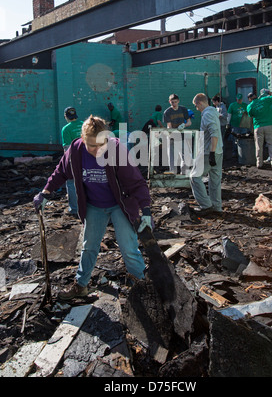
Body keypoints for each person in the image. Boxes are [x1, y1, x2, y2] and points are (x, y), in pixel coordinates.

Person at [33, 115, 152, 300]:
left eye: (100, 145)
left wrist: (146, 211)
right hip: (94, 206)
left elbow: (136, 182)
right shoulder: (76, 150)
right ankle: (81, 286)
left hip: (119, 205)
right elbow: (61, 172)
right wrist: (45, 192)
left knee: (129, 248)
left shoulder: (116, 149)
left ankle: (143, 287)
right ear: (82, 139)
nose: (97, 150)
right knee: (89, 247)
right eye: (91, 145)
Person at [190, 93, 223, 214]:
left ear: (200, 103)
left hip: (209, 152)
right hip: (219, 151)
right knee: (214, 179)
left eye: (196, 105)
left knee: (194, 176)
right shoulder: (213, 112)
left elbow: (214, 134)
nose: (196, 108)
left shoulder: (207, 114)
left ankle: (206, 205)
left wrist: (212, 153)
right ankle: (216, 206)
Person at [247, 88, 272, 169]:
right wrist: (269, 92)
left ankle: (259, 163)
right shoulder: (265, 100)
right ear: (255, 96)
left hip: (258, 126)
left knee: (259, 146)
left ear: (250, 99)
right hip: (269, 125)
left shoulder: (249, 106)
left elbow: (251, 115)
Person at [61, 107, 83, 217]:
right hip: (89, 157)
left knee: (71, 182)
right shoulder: (84, 125)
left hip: (75, 158)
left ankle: (74, 209)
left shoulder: (66, 129)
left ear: (66, 116)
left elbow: (67, 149)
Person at [163, 94, 192, 174]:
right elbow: (169, 126)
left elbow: (189, 122)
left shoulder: (183, 109)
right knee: (172, 156)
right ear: (169, 102)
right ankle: (173, 173)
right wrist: (172, 133)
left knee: (185, 155)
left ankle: (184, 173)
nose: (174, 104)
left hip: (182, 136)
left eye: (175, 102)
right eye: (172, 102)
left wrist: (184, 125)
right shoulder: (167, 112)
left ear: (178, 101)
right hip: (171, 136)